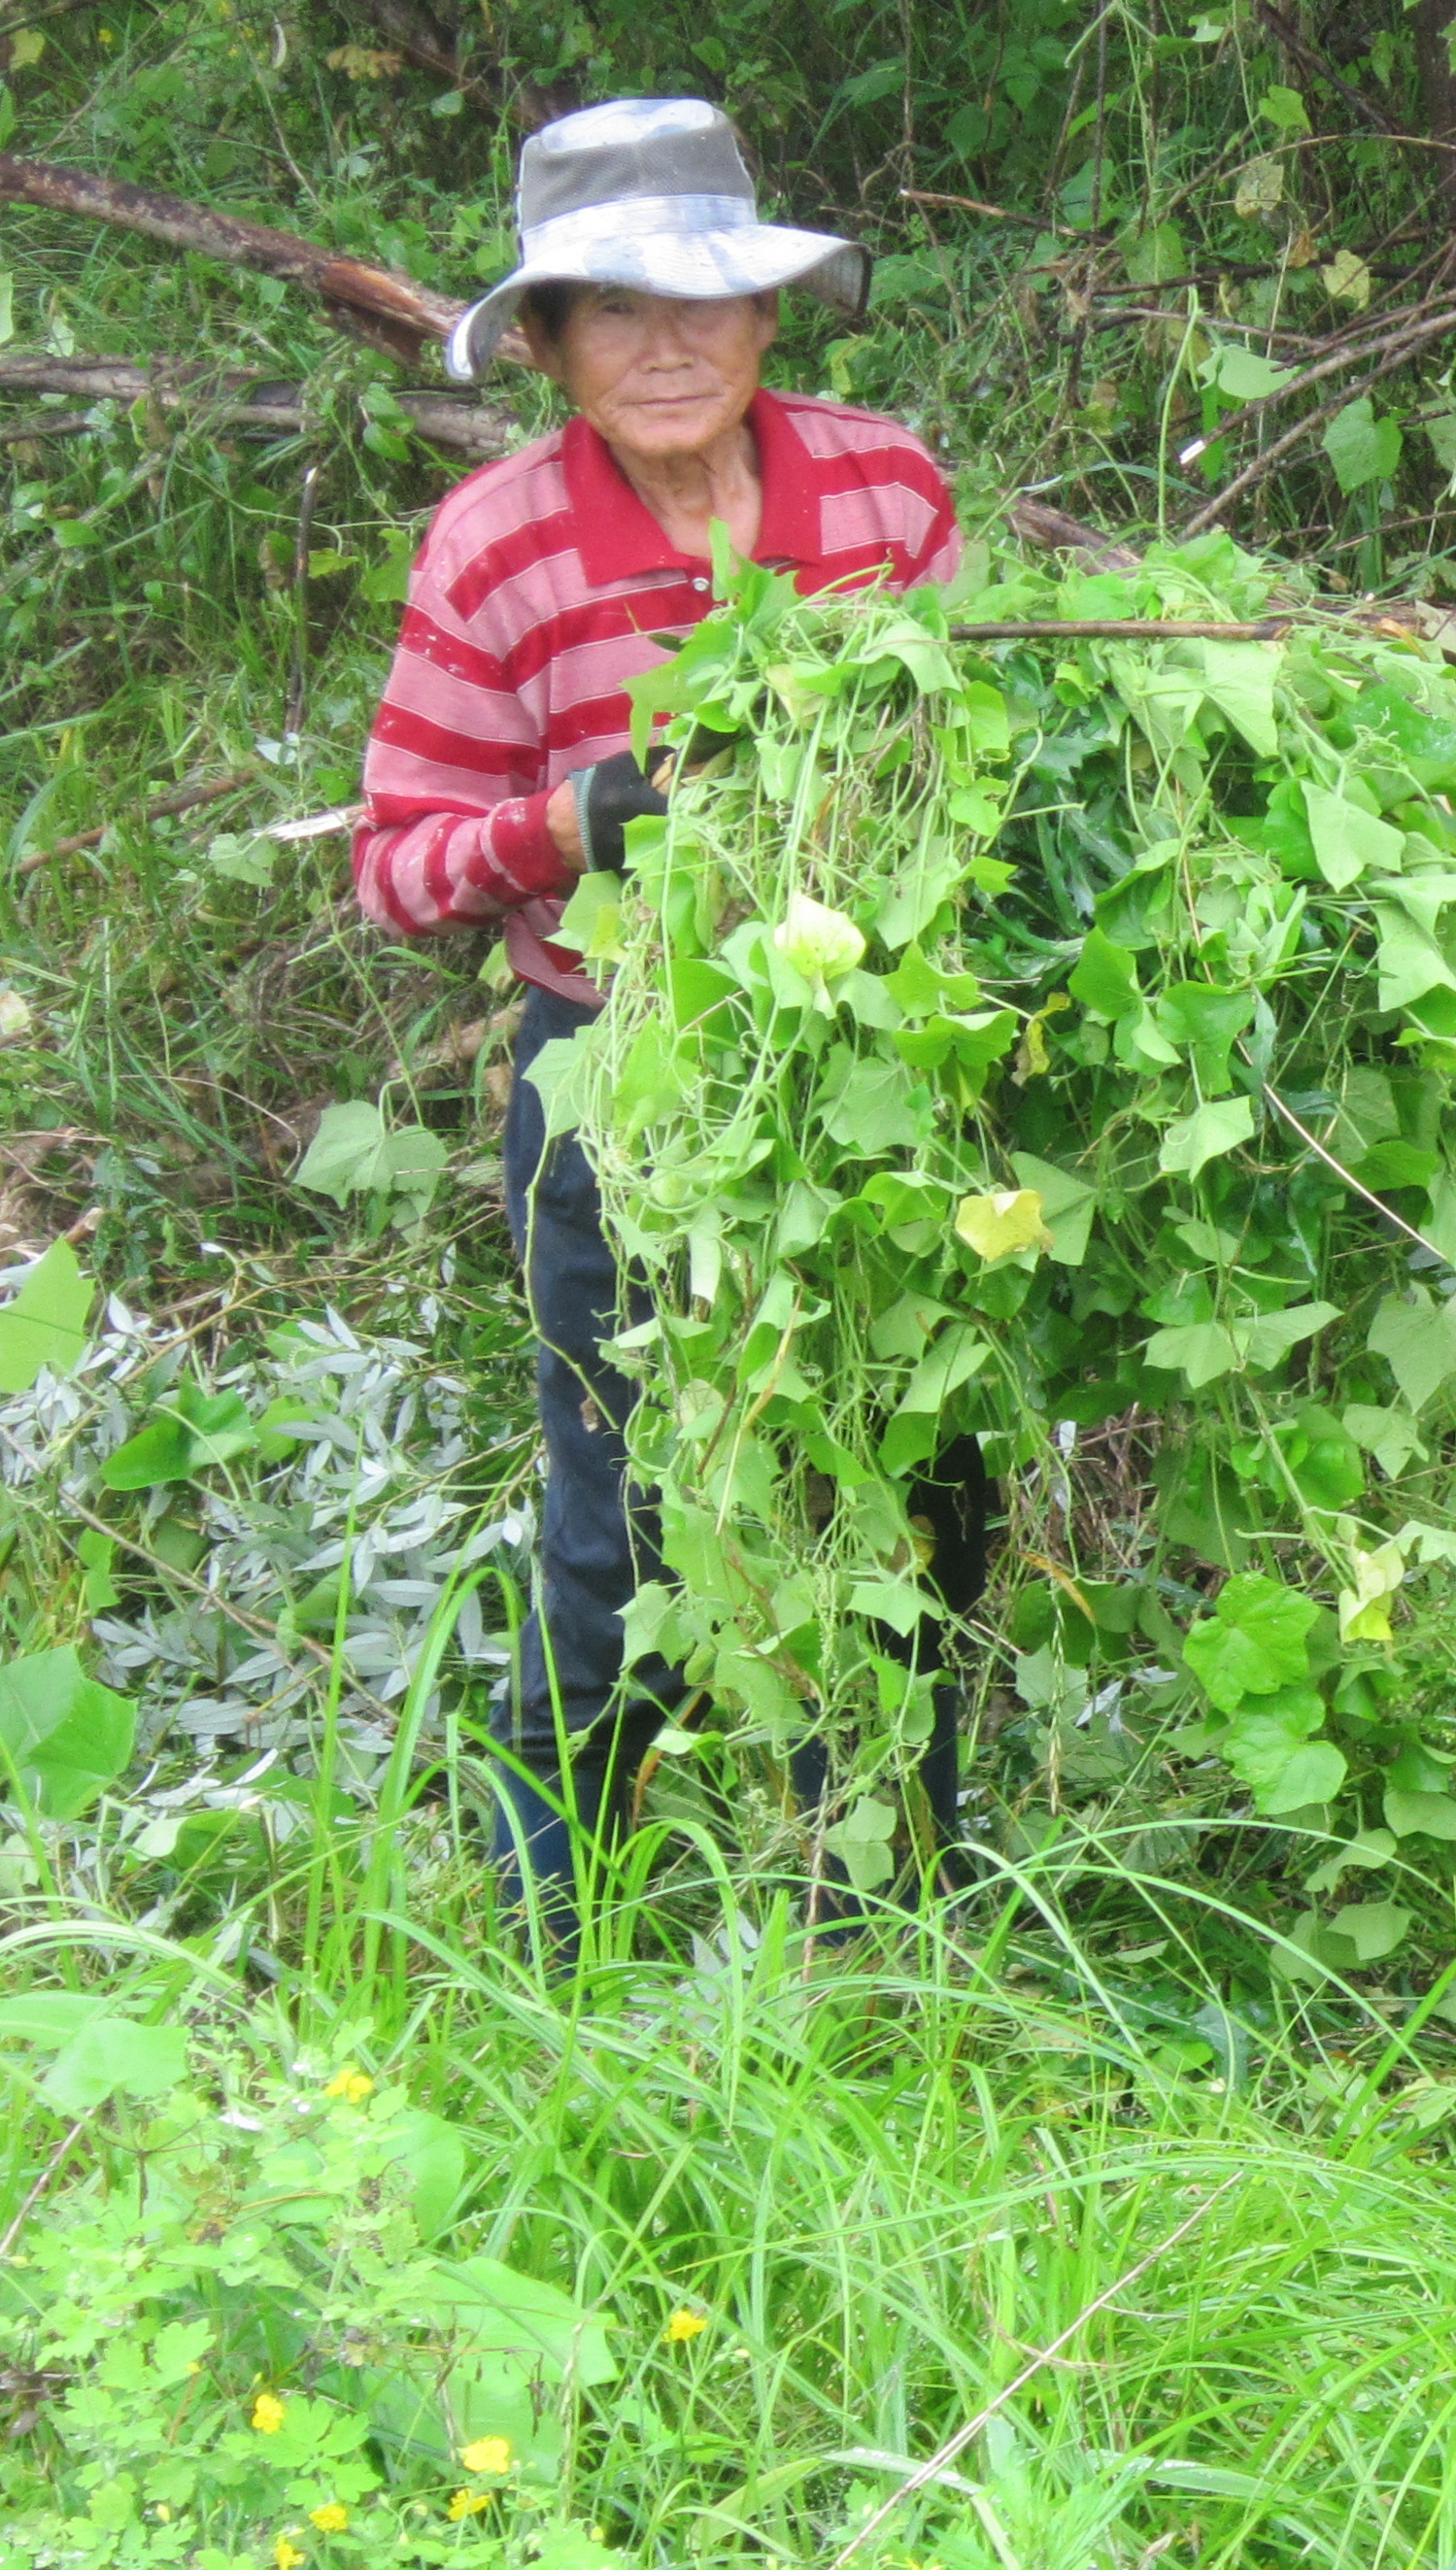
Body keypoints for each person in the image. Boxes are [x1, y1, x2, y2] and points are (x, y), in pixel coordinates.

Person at [352, 98, 983, 1958]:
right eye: (611, 308)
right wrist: (564, 826)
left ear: (772, 316)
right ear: (544, 343)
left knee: (911, 1502)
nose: (668, 345)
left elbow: (982, 774)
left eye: (704, 297)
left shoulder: (885, 492)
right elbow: (392, 870)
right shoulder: (495, 548)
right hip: (617, 1082)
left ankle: (891, 1938)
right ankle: (554, 1942)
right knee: (620, 1525)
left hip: (882, 1081)